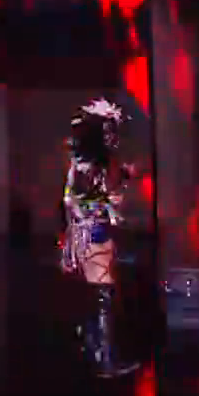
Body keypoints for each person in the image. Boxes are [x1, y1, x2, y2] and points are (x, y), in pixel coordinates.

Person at [61, 98, 139, 378]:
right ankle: (104, 357)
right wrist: (106, 206)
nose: (112, 136)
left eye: (113, 130)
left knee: (100, 293)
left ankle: (93, 345)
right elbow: (75, 200)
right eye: (107, 130)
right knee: (104, 294)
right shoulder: (90, 165)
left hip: (90, 233)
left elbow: (76, 199)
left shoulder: (87, 164)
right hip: (93, 233)